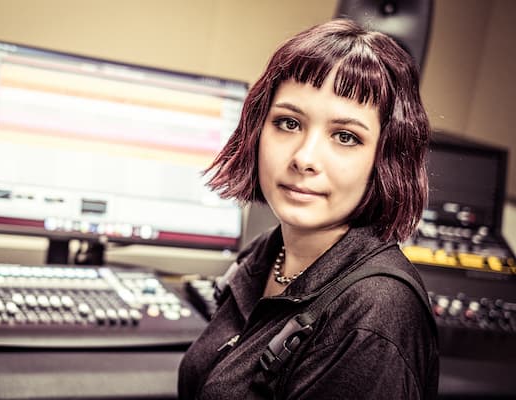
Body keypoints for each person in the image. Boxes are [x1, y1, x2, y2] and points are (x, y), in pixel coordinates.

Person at [178, 19, 439, 399]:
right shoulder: (267, 252)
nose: (304, 158)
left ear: (386, 158)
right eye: (288, 123)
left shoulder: (372, 316)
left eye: (345, 136)